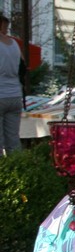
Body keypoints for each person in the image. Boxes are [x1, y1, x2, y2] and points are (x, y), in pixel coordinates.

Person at [0, 14, 25, 155]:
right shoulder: (14, 44)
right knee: (13, 140)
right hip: (15, 94)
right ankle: (17, 165)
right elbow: (23, 67)